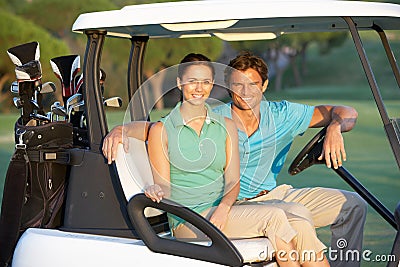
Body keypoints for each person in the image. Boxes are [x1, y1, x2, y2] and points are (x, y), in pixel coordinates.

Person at [102, 52, 365, 266]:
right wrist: (122, 129)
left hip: (275, 194)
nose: (246, 91)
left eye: (253, 84)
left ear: (264, 85)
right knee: (293, 218)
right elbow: (157, 130)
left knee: (352, 205)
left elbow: (345, 112)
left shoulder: (284, 114)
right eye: (237, 85)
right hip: (234, 204)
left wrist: (333, 127)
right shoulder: (214, 117)